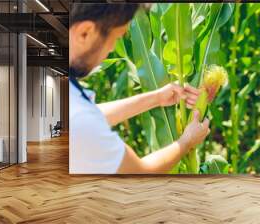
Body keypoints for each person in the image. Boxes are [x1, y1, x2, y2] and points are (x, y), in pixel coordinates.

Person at [69, 3, 210, 174]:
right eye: (115, 37)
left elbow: (89, 115)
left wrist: (158, 97)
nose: (113, 48)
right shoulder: (81, 121)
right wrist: (187, 141)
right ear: (85, 33)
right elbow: (140, 172)